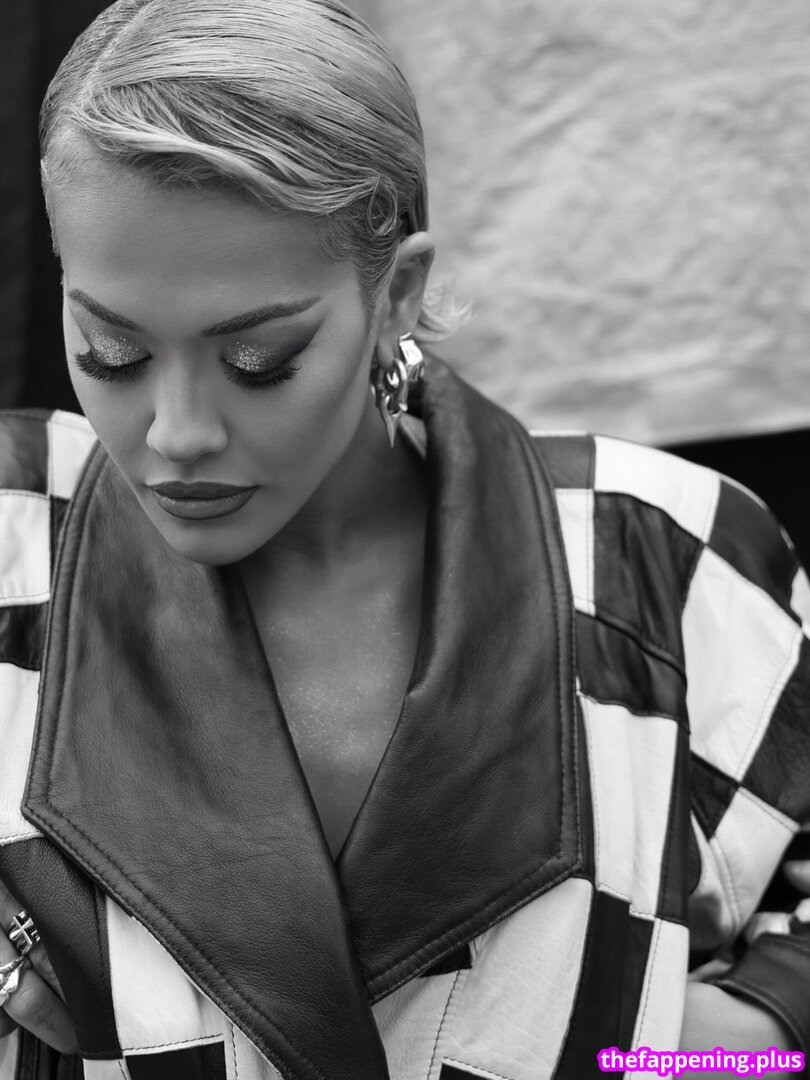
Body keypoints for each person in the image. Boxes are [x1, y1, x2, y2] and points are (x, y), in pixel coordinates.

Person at [0, 1, 807, 1077]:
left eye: (259, 361)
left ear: (398, 293)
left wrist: (740, 1044)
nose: (178, 433)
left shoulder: (658, 556)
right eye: (111, 351)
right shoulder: (13, 531)